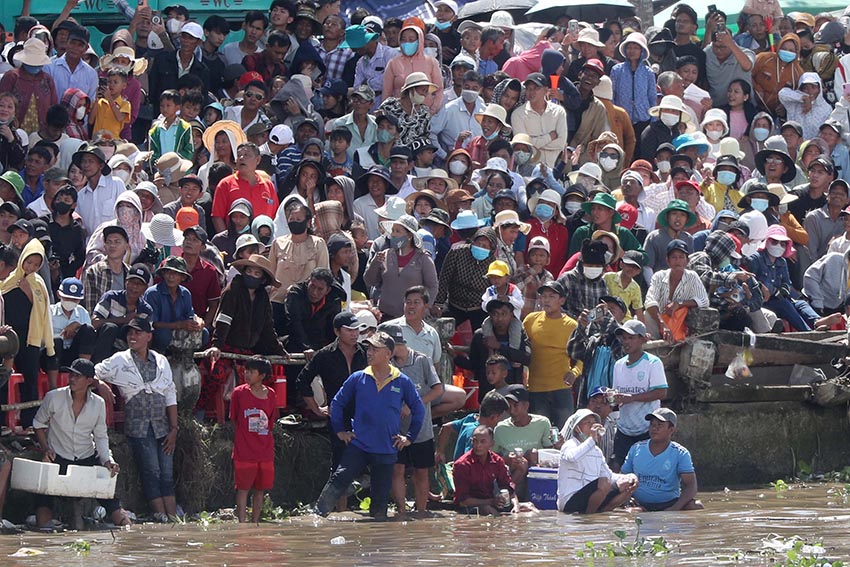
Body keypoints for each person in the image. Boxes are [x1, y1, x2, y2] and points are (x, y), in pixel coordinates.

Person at [314, 331, 425, 520]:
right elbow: (337, 403)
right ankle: (317, 516)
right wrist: (341, 431)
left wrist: (409, 438)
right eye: (369, 348)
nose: (369, 352)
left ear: (388, 354)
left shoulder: (402, 381)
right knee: (339, 479)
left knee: (380, 499)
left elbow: (418, 409)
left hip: (386, 447)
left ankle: (377, 535)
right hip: (360, 444)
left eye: (375, 349)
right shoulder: (359, 378)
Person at [94, 318, 179, 523]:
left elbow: (170, 393)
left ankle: (173, 515)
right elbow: (94, 370)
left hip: (162, 425)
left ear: (149, 336)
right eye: (130, 333)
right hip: (139, 426)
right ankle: (160, 515)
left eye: (138, 333)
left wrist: (174, 428)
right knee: (152, 470)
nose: (132, 336)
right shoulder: (120, 360)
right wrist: (100, 384)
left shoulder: (160, 361)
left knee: (167, 472)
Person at [32, 358, 130, 529]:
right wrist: (46, 449)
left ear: (89, 381)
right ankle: (45, 526)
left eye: (78, 376)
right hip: (59, 456)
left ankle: (128, 529)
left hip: (86, 456)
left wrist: (108, 460)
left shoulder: (98, 404)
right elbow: (38, 424)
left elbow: (100, 436)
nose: (72, 379)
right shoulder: (54, 397)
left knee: (111, 499)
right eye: (71, 374)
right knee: (43, 496)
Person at [381, 323, 443, 517]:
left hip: (421, 429)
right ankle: (401, 511)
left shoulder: (422, 361)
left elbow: (437, 389)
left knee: (421, 472)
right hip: (395, 429)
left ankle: (422, 512)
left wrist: (413, 404)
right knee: (397, 470)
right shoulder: (386, 365)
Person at [522, 280, 582, 428]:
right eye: (543, 296)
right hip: (536, 388)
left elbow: (581, 355)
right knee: (540, 435)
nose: (546, 300)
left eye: (551, 296)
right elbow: (521, 349)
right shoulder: (530, 320)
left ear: (562, 300)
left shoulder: (572, 325)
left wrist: (574, 372)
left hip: (561, 388)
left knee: (565, 432)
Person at [621, 408, 704, 512]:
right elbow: (623, 478)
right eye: (652, 424)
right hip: (640, 504)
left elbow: (691, 486)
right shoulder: (636, 448)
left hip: (670, 503)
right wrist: (626, 499)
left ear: (671, 429)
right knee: (627, 512)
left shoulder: (681, 453)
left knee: (697, 506)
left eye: (659, 425)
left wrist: (675, 508)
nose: (654, 428)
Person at [557, 408, 638, 514]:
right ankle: (589, 516)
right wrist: (592, 440)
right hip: (570, 500)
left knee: (628, 484)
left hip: (592, 497)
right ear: (577, 428)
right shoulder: (570, 444)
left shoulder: (596, 451)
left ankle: (602, 511)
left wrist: (628, 477)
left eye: (594, 423)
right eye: (588, 423)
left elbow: (609, 475)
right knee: (603, 482)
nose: (592, 426)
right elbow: (572, 457)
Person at [611, 320, 668, 468]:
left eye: (631, 338)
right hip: (624, 428)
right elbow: (617, 394)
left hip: (646, 429)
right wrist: (613, 398)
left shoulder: (653, 363)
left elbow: (661, 392)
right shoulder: (618, 365)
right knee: (618, 470)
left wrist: (632, 398)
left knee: (645, 470)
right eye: (624, 338)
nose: (626, 342)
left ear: (642, 339)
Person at [230, 355, 278, 523]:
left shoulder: (271, 394)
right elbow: (235, 418)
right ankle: (242, 523)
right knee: (243, 489)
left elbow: (271, 422)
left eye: (251, 371)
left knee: (260, 489)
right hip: (244, 450)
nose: (247, 374)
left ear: (262, 375)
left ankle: (255, 521)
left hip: (264, 450)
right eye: (246, 371)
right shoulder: (238, 393)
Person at [364, 214, 438, 320]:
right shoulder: (385, 255)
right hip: (386, 314)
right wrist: (375, 263)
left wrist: (426, 307)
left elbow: (432, 286)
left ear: (409, 236)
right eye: (393, 231)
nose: (393, 235)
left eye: (397, 231)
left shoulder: (423, 258)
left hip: (413, 316)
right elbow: (370, 281)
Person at [493, 385, 555, 498]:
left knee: (531, 456)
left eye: (515, 405)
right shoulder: (500, 429)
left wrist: (533, 456)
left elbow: (550, 451)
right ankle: (506, 495)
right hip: (511, 474)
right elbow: (492, 457)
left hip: (536, 473)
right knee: (521, 464)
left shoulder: (543, 423)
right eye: (509, 406)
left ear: (526, 406)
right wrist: (506, 459)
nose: (511, 411)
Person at [645, 239, 710, 341]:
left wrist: (679, 303)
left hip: (678, 324)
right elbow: (650, 301)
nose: (678, 261)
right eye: (674, 257)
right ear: (668, 260)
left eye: (681, 257)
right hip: (658, 321)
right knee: (647, 314)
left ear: (687, 261)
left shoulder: (692, 276)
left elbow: (704, 300)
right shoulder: (659, 276)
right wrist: (662, 323)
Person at [453, 425, 520, 515]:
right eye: (475, 441)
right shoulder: (462, 465)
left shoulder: (497, 461)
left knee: (529, 507)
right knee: (488, 510)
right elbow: (463, 501)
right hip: (469, 507)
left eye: (483, 442)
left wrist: (516, 505)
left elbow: (508, 488)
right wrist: (491, 502)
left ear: (491, 444)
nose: (478, 445)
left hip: (491, 502)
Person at [143, 256, 203, 353]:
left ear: (182, 277)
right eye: (168, 272)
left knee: (204, 333)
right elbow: (152, 323)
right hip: (156, 335)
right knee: (164, 334)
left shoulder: (185, 293)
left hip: (178, 333)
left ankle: (186, 360)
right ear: (163, 274)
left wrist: (197, 323)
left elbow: (190, 316)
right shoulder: (153, 293)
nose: (171, 277)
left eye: (176, 273)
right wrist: (179, 325)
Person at [435, 390, 509, 464]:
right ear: (493, 417)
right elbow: (472, 462)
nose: (501, 421)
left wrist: (439, 452)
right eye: (500, 417)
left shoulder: (471, 418)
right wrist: (504, 460)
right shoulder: (477, 434)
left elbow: (446, 427)